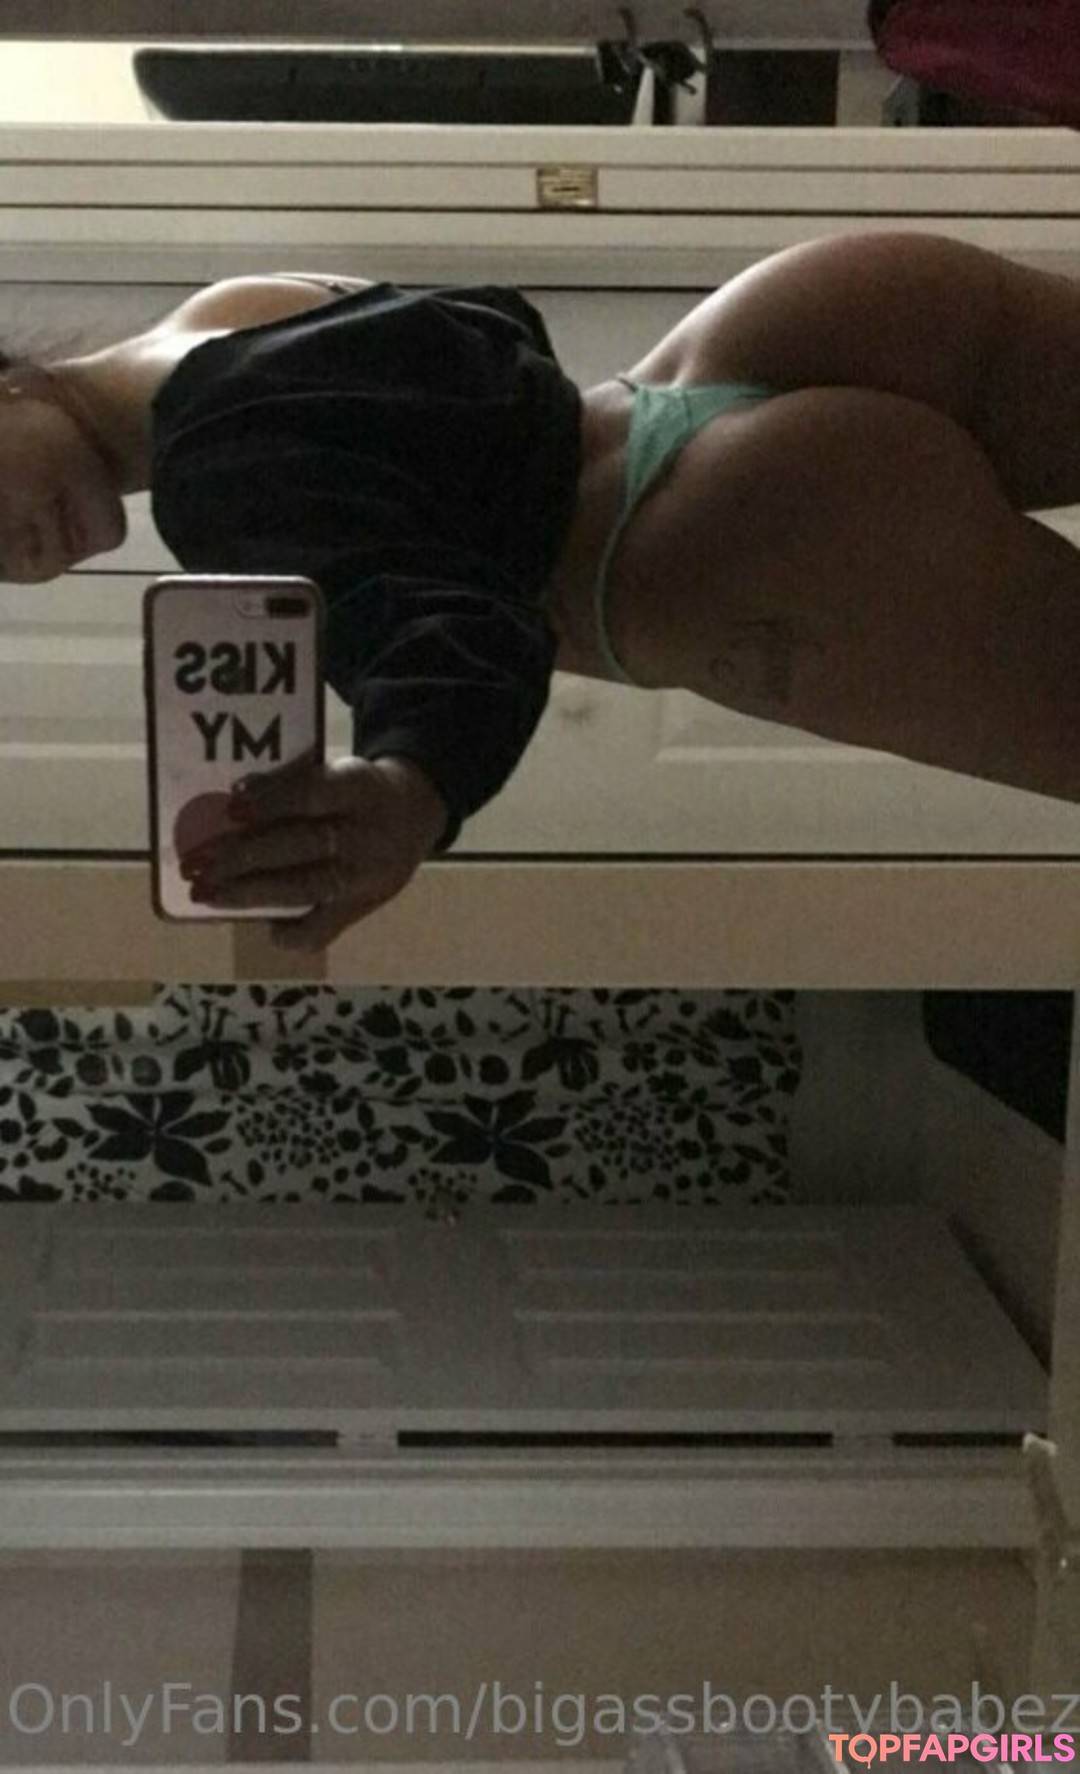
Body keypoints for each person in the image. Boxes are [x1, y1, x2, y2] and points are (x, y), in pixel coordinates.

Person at [2, 230, 1079, 950]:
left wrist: (411, 785)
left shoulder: (210, 479)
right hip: (787, 321)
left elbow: (453, 624)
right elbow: (500, 339)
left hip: (718, 551)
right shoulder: (237, 305)